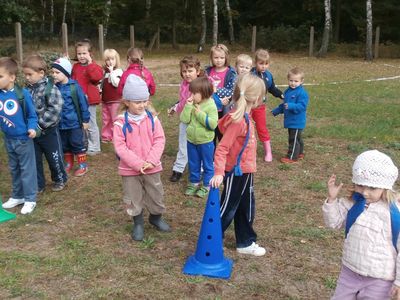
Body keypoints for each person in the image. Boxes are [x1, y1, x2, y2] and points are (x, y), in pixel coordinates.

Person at [322, 150, 400, 300]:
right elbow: (333, 223)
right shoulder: (352, 204)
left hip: (380, 280)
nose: (364, 192)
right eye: (360, 185)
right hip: (349, 272)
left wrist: (399, 281)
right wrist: (331, 200)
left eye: (372, 188)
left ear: (385, 187)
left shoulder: (394, 213)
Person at [209, 73, 267, 256]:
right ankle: (210, 239)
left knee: (246, 206)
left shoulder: (246, 118)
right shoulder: (238, 121)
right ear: (256, 98)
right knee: (227, 207)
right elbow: (222, 148)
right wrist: (219, 172)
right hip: (236, 172)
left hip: (247, 171)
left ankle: (245, 242)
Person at [113, 74, 170, 241]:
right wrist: (137, 164)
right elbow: (120, 147)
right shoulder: (120, 123)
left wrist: (151, 160)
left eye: (145, 101)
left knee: (156, 193)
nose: (142, 105)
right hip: (129, 169)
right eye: (138, 102)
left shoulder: (152, 119)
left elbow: (159, 139)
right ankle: (137, 222)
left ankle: (156, 217)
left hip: (152, 167)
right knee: (133, 196)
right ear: (127, 102)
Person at [22, 55, 67, 193]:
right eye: (25, 75)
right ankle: (38, 184)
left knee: (54, 157)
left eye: (30, 74)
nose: (27, 77)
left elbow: (55, 109)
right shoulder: (26, 90)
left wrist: (40, 125)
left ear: (41, 73)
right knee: (35, 160)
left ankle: (60, 178)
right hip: (32, 133)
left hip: (48, 132)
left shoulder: (50, 88)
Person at [0, 57, 38, 214]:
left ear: (12, 77)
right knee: (14, 168)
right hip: (8, 139)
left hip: (23, 140)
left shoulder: (22, 95)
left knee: (27, 169)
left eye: (0, 76)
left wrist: (32, 128)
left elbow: (32, 116)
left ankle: (30, 199)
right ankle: (17, 195)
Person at [51, 57, 90, 176]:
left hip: (74, 123)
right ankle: (69, 163)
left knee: (77, 143)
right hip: (60, 123)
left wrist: (85, 119)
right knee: (64, 145)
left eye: (57, 72)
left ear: (66, 73)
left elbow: (83, 103)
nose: (54, 75)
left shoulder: (74, 87)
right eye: (52, 72)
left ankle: (83, 165)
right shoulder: (54, 87)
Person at [180, 77, 218, 198]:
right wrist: (188, 106)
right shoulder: (192, 104)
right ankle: (194, 182)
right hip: (191, 141)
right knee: (193, 163)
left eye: (194, 93)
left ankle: (207, 184)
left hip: (205, 142)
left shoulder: (211, 105)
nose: (191, 95)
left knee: (207, 164)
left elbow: (213, 124)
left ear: (204, 93)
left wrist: (200, 114)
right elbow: (184, 119)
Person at [168, 56, 202, 183]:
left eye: (190, 71)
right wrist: (175, 108)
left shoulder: (203, 84)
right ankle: (178, 169)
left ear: (197, 71)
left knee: (200, 145)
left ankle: (202, 170)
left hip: (199, 121)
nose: (187, 74)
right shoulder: (183, 85)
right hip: (185, 120)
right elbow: (182, 102)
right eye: (184, 71)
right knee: (183, 145)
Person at [251, 49, 284, 162]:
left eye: (266, 64)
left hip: (260, 107)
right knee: (247, 128)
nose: (264, 66)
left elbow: (272, 89)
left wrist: (281, 95)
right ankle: (249, 150)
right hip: (248, 106)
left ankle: (268, 152)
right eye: (261, 63)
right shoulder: (250, 74)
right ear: (255, 63)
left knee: (261, 128)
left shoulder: (268, 75)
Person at [71, 39, 103, 156]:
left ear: (90, 54)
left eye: (84, 53)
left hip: (89, 100)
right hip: (78, 99)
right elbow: (72, 80)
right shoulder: (75, 67)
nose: (81, 56)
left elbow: (96, 77)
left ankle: (95, 146)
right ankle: (84, 143)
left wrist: (90, 64)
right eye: (79, 54)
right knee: (80, 123)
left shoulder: (94, 66)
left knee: (91, 123)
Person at [271, 67, 309, 163]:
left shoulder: (302, 93)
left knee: (293, 139)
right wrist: (276, 111)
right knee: (297, 138)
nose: (293, 83)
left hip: (297, 121)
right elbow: (285, 105)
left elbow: (302, 106)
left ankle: (292, 156)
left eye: (296, 81)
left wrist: (292, 106)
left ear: (301, 81)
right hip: (290, 120)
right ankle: (299, 153)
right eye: (291, 80)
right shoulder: (287, 92)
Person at [205, 44, 237, 142]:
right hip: (210, 107)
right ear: (211, 58)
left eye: (222, 58)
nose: (219, 60)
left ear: (226, 58)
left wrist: (216, 90)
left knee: (222, 132)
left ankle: (222, 155)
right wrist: (217, 98)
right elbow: (204, 87)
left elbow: (231, 90)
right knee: (211, 133)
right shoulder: (207, 71)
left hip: (224, 109)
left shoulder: (231, 72)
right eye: (216, 57)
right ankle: (212, 154)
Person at [101, 49, 123, 143]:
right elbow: (103, 84)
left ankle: (116, 136)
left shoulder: (118, 71)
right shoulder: (105, 72)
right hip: (105, 100)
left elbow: (116, 83)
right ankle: (106, 136)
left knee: (115, 119)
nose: (110, 62)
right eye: (108, 59)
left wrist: (111, 73)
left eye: (112, 59)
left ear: (116, 60)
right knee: (106, 119)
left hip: (115, 100)